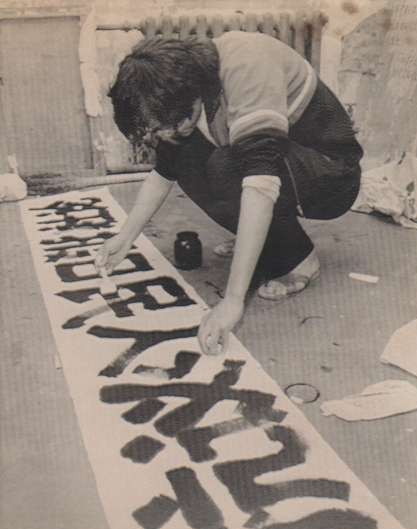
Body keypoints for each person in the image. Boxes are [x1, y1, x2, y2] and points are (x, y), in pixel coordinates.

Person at [95, 31, 362, 355]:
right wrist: (125, 237)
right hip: (288, 162)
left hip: (332, 174)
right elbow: (165, 171)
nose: (161, 135)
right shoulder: (187, 79)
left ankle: (299, 260)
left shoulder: (246, 69)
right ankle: (266, 237)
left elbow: (260, 184)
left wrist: (234, 301)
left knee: (225, 169)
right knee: (185, 157)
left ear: (189, 96)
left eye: (161, 127)